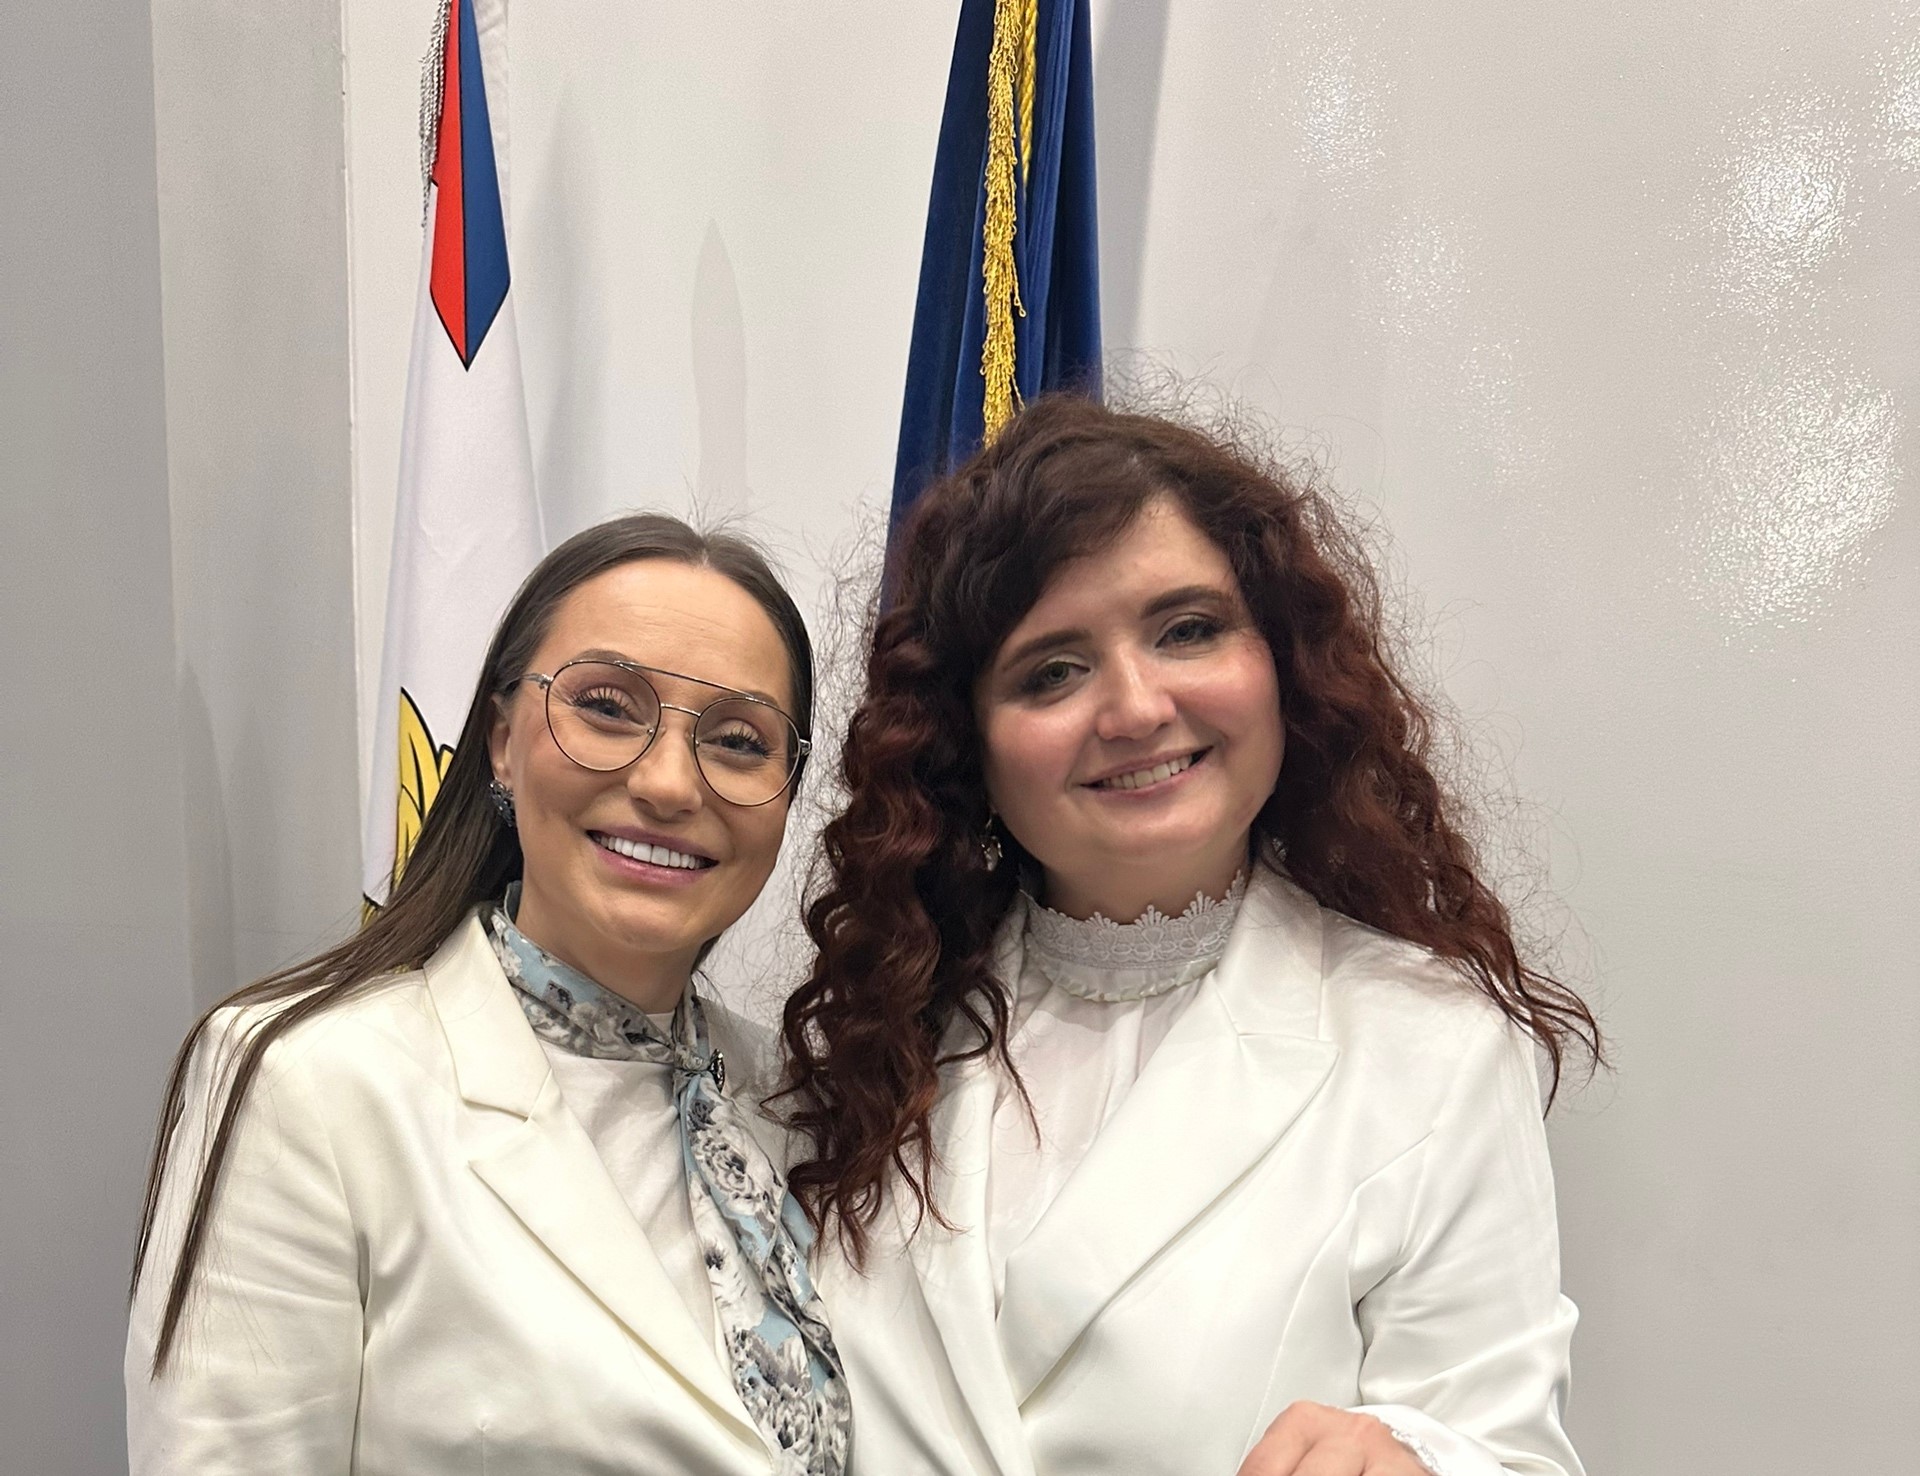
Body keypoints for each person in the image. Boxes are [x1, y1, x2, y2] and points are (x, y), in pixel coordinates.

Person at [779, 398, 1601, 1476]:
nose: (1134, 708)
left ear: (1285, 666)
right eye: (1051, 671)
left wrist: (1417, 1462)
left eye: (1187, 631)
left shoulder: (1432, 1047)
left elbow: (1506, 1448)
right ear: (965, 747)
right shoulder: (874, 1043)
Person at [127, 515, 849, 1476]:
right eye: (608, 706)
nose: (672, 783)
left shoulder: (804, 1104)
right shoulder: (307, 1083)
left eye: (737, 739)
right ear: (503, 744)